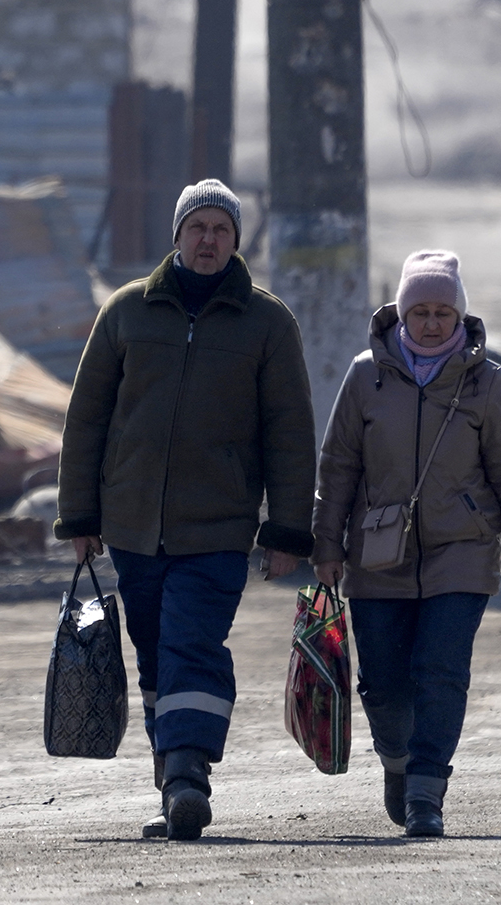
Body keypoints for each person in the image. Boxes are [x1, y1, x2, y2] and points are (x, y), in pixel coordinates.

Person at [54, 179, 316, 842]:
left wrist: (287, 530)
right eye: (197, 227)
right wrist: (80, 520)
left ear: (235, 242)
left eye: (221, 230)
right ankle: (170, 777)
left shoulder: (267, 322)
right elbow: (87, 421)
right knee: (153, 657)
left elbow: (289, 432)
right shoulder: (126, 313)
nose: (208, 240)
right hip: (135, 528)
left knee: (191, 644)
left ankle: (189, 773)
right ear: (177, 236)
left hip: (219, 529)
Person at [312, 250, 501, 839]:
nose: (431, 322)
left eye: (443, 311)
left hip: (461, 554)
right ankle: (397, 758)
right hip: (378, 553)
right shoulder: (364, 375)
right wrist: (326, 546)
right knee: (385, 682)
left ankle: (426, 789)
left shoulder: (486, 383)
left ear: (460, 315)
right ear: (399, 313)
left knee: (441, 670)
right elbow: (337, 467)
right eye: (419, 310)